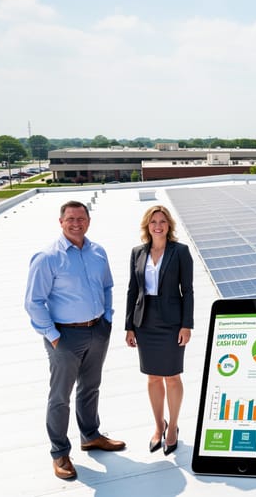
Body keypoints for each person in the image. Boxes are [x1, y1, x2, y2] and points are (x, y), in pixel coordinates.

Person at [25, 200, 126, 481]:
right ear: (61, 222)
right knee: (60, 397)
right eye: (70, 219)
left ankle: (91, 435)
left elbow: (107, 286)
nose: (76, 223)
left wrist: (106, 319)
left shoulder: (98, 252)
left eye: (81, 218)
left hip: (97, 330)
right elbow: (34, 303)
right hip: (65, 336)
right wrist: (54, 337)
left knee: (90, 387)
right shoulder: (47, 257)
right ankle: (60, 452)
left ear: (88, 221)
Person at [124, 205, 194, 456]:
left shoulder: (181, 252)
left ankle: (173, 427)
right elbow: (133, 291)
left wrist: (187, 324)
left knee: (172, 377)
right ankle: (158, 425)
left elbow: (188, 291)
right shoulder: (137, 253)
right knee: (153, 377)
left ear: (168, 225)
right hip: (145, 323)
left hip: (172, 323)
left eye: (162, 221)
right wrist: (129, 326)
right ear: (147, 225)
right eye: (153, 221)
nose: (158, 225)